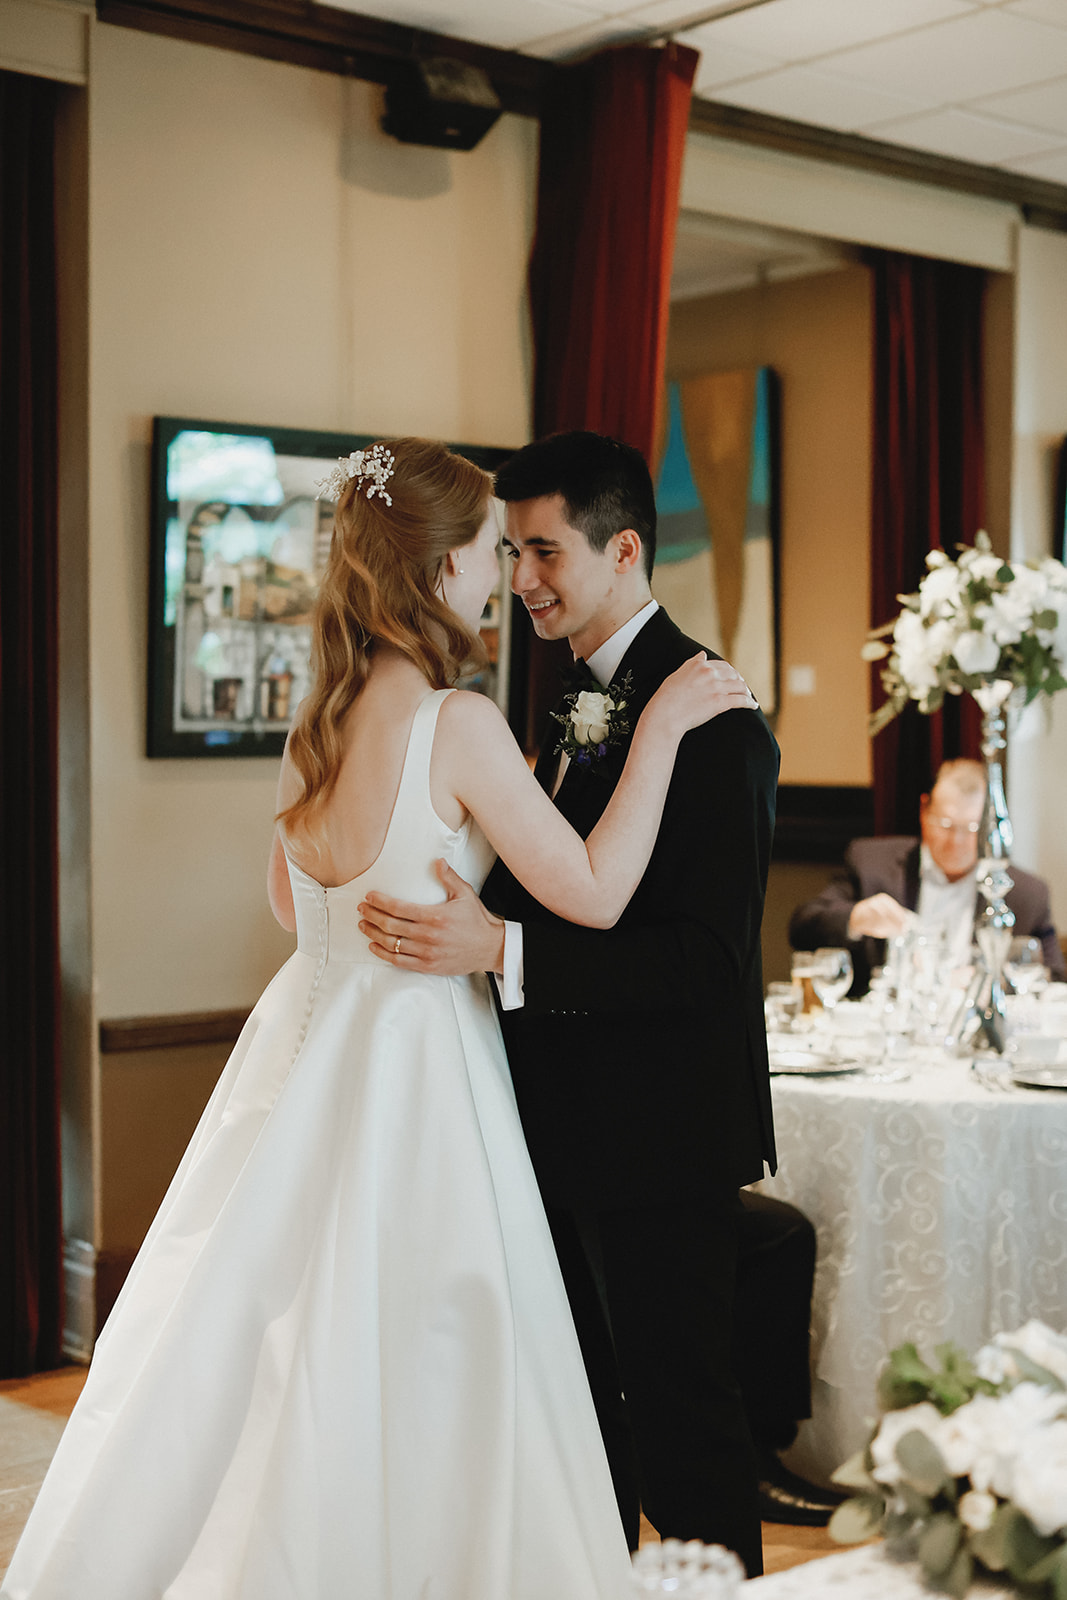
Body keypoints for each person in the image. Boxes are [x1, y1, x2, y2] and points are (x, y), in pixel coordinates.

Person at [0, 438, 757, 1600]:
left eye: (525, 550)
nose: (503, 576)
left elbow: (288, 899)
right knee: (441, 1361)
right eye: (488, 553)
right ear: (434, 568)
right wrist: (651, 730)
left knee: (297, 1352)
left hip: (310, 1057)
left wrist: (428, 914)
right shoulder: (460, 721)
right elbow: (594, 891)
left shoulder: (319, 715)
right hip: (424, 1078)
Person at [357, 431, 780, 1578]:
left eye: (543, 550)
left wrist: (503, 948)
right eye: (511, 551)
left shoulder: (715, 725)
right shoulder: (560, 708)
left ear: (624, 548)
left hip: (661, 1134)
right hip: (545, 1128)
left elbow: (700, 964)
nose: (523, 577)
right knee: (575, 1413)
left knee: (684, 1416)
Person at [790, 758, 1066, 996]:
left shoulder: (1025, 893)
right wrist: (856, 917)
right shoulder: (871, 863)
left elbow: (1053, 977)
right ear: (924, 811)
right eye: (945, 825)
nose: (956, 841)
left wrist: (992, 982)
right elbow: (803, 928)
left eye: (970, 828)